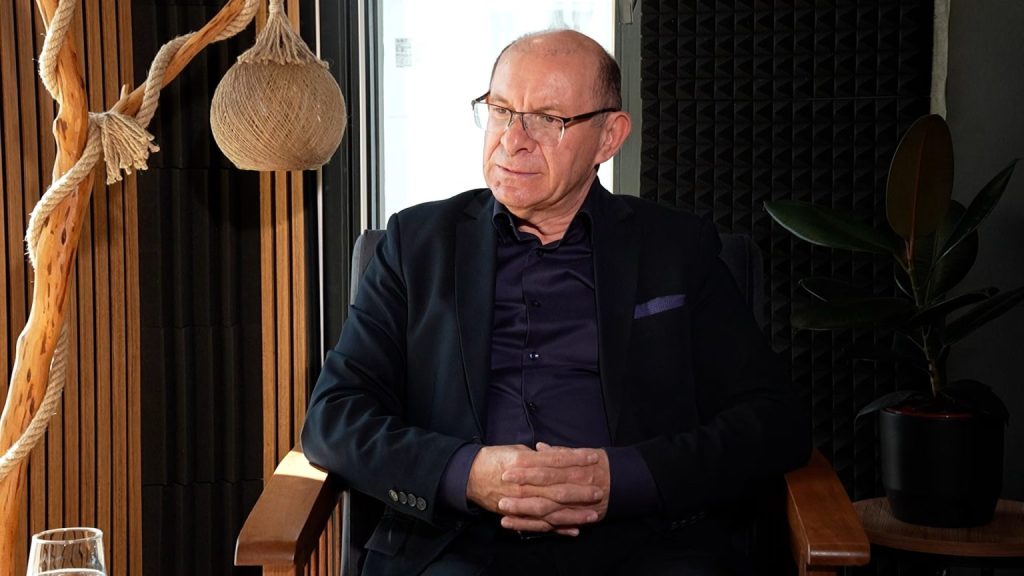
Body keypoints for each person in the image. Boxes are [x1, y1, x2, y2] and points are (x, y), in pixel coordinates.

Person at [301, 29, 810, 576]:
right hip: (454, 545)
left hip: (644, 544)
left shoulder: (679, 249)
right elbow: (335, 418)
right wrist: (466, 473)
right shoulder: (415, 245)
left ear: (609, 137)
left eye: (547, 119)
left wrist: (622, 479)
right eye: (501, 110)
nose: (512, 140)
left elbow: (772, 421)